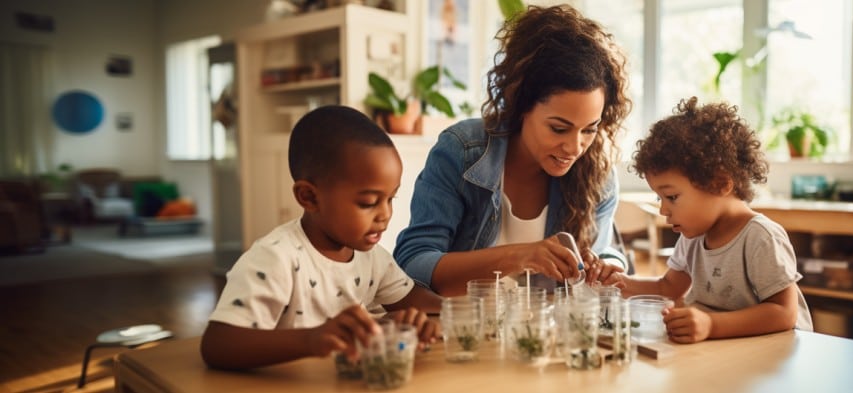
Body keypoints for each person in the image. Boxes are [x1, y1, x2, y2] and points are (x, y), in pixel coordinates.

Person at [393, 4, 632, 296]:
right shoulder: (462, 151)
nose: (575, 147)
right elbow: (411, 265)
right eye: (558, 128)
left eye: (589, 129)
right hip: (467, 328)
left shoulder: (598, 175)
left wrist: (608, 265)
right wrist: (519, 256)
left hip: (547, 334)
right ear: (521, 106)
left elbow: (601, 251)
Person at [201, 106, 442, 369]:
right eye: (368, 202)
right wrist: (312, 339)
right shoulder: (276, 259)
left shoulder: (372, 258)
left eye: (390, 199)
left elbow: (414, 299)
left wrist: (419, 320)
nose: (385, 214)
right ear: (309, 197)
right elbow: (217, 345)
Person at [605, 97, 812, 343]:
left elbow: (783, 313)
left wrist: (711, 325)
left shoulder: (760, 238)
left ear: (720, 183)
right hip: (732, 354)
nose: (663, 210)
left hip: (776, 356)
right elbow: (667, 288)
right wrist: (622, 282)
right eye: (660, 197)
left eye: (671, 197)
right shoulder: (693, 236)